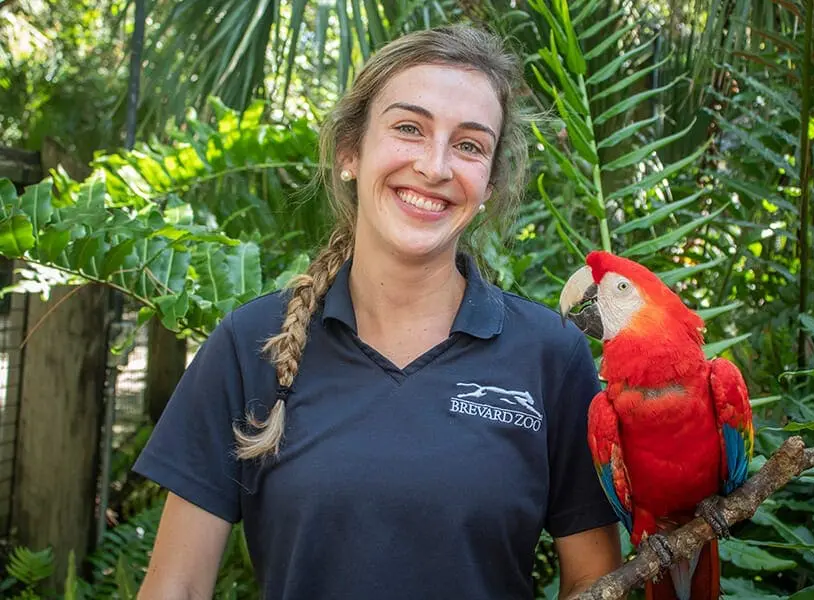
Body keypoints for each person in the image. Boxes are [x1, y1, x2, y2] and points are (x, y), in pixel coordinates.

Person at [134, 23, 621, 600]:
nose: (435, 166)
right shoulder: (249, 344)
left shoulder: (550, 354)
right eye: (408, 129)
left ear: (489, 182)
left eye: (469, 145)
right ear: (350, 150)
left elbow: (594, 581)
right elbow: (178, 586)